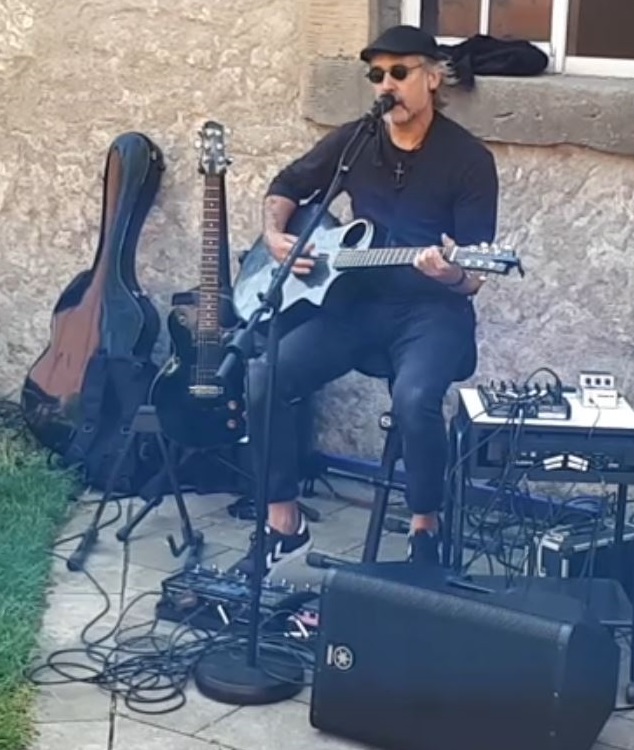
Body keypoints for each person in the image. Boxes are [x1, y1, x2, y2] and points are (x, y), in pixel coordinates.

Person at [236, 24, 499, 578]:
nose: (386, 84)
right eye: (377, 75)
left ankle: (425, 527)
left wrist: (451, 272)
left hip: (432, 311)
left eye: (399, 72)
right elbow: (287, 185)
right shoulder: (356, 141)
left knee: (414, 398)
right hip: (354, 304)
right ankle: (284, 525)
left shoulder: (469, 159)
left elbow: (474, 278)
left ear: (433, 78)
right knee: (264, 375)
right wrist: (276, 237)